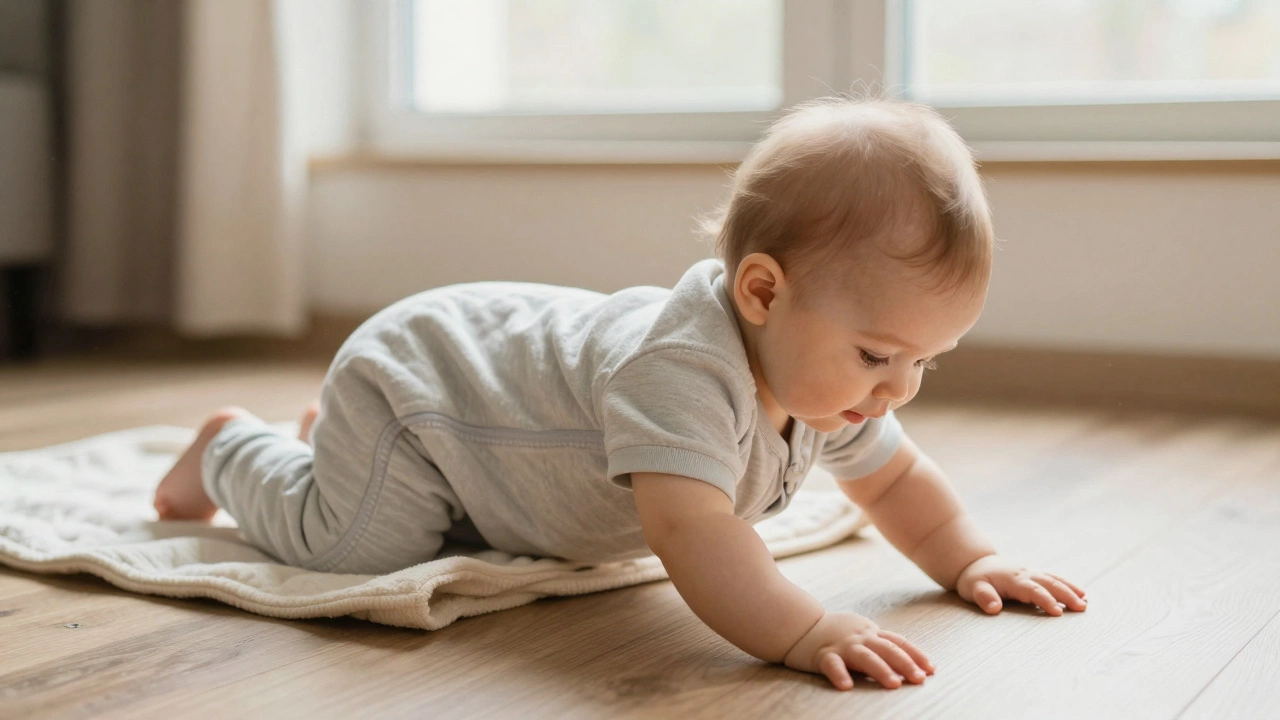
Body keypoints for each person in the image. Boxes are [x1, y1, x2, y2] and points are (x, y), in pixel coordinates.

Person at [154, 95, 1087, 691]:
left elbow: (895, 483)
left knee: (462, 527)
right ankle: (236, 448)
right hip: (420, 391)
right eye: (883, 354)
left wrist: (970, 561)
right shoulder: (683, 374)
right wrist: (801, 630)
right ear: (762, 293)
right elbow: (693, 534)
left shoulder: (826, 382)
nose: (899, 391)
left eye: (930, 361)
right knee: (362, 547)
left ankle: (336, 447)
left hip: (486, 443)